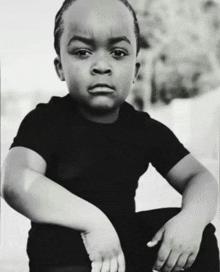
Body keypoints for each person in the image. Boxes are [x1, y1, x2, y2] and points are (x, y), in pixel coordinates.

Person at [1, 0, 219, 271]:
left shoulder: (143, 128)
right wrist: (93, 222)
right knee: (56, 239)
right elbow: (16, 183)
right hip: (66, 252)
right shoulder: (46, 120)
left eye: (117, 53)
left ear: (135, 71)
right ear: (60, 67)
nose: (101, 65)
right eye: (82, 52)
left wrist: (192, 220)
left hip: (122, 246)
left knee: (201, 236)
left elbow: (199, 178)